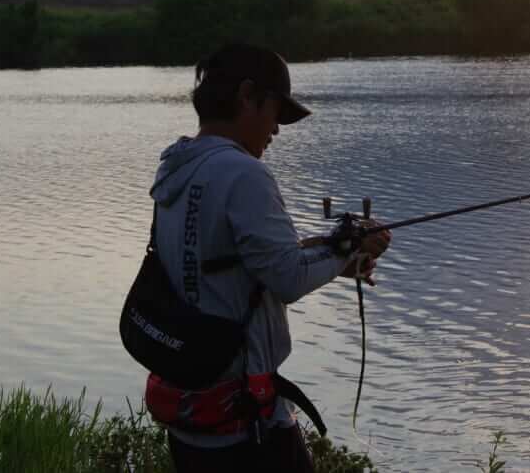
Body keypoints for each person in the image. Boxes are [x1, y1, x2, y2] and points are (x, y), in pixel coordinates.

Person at [142, 43, 391, 472]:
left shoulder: (178, 168)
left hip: (191, 415)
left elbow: (235, 261)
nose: (276, 129)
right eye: (276, 112)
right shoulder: (243, 173)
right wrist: (348, 248)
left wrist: (333, 256)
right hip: (245, 426)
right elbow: (288, 278)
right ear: (246, 96)